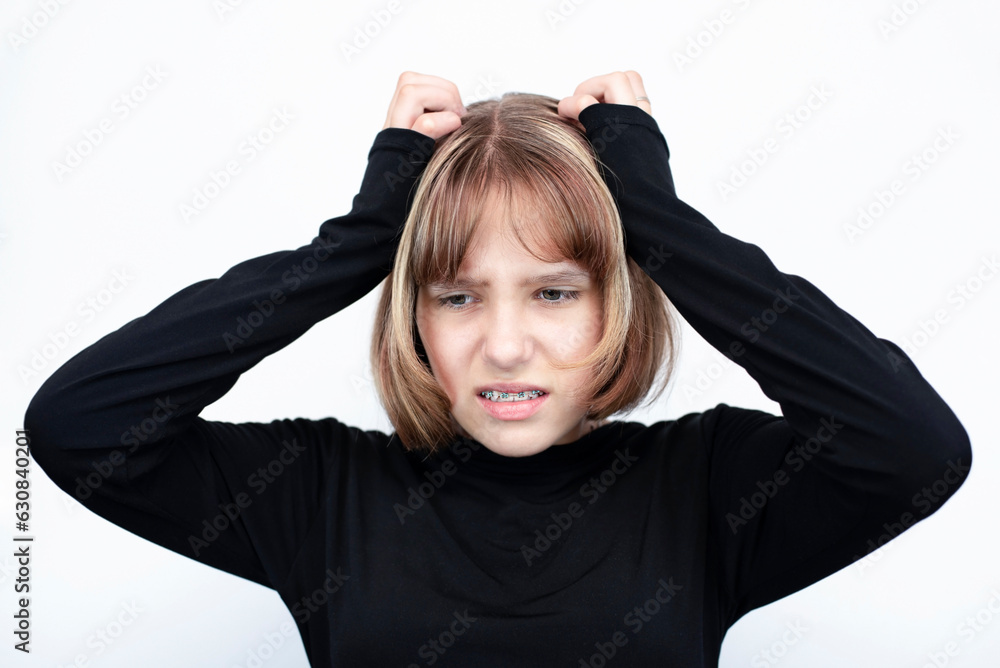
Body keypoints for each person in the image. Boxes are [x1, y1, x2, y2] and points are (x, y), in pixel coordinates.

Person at [25, 71, 972, 667]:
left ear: (615, 299)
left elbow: (914, 448)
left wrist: (656, 222)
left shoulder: (709, 491)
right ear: (414, 312)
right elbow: (81, 424)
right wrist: (364, 240)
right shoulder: (316, 494)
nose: (507, 345)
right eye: (457, 295)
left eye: (556, 293)